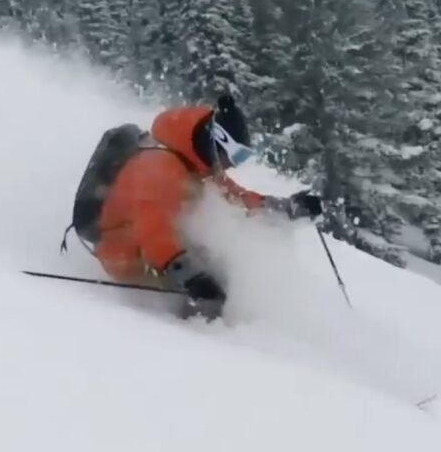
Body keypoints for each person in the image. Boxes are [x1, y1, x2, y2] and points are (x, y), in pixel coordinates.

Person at [66, 94, 322, 320]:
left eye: (241, 158)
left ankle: (208, 321)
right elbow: (152, 231)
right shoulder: (160, 165)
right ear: (215, 141)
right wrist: (192, 276)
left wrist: (288, 207)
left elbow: (237, 198)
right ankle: (192, 338)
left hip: (153, 244)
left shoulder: (195, 164)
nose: (232, 165)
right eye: (234, 156)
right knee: (210, 283)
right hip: (124, 252)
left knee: (219, 264)